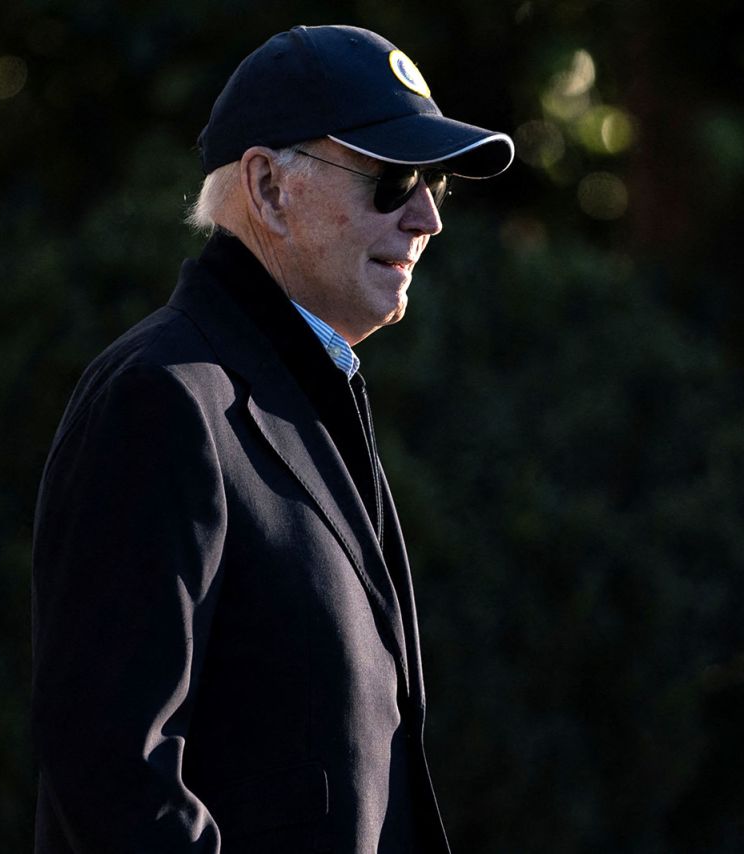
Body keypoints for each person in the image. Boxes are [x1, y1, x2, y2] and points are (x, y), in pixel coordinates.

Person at [30, 24, 513, 854]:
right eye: (392, 177)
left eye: (432, 183)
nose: (427, 215)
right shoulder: (165, 400)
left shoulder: (296, 387)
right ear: (269, 187)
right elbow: (115, 778)